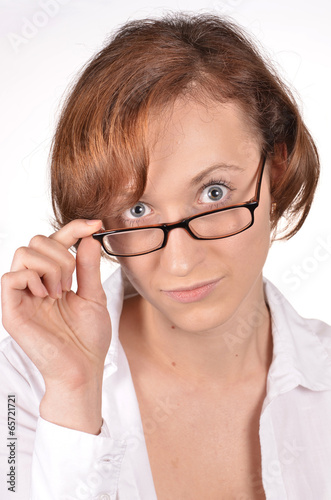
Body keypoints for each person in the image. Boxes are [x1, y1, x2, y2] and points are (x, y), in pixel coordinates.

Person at [1, 12, 330, 500]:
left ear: (275, 171)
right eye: (136, 209)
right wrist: (73, 393)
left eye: (215, 192)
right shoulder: (22, 386)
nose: (179, 262)